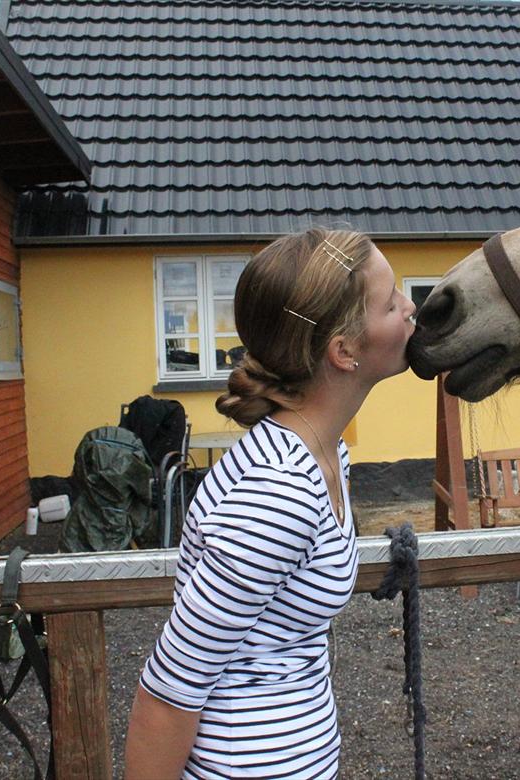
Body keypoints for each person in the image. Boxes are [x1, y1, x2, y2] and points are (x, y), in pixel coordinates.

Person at [123, 228, 417, 779]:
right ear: (344, 351)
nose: (409, 309)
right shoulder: (278, 492)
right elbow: (169, 689)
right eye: (391, 300)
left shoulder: (327, 454)